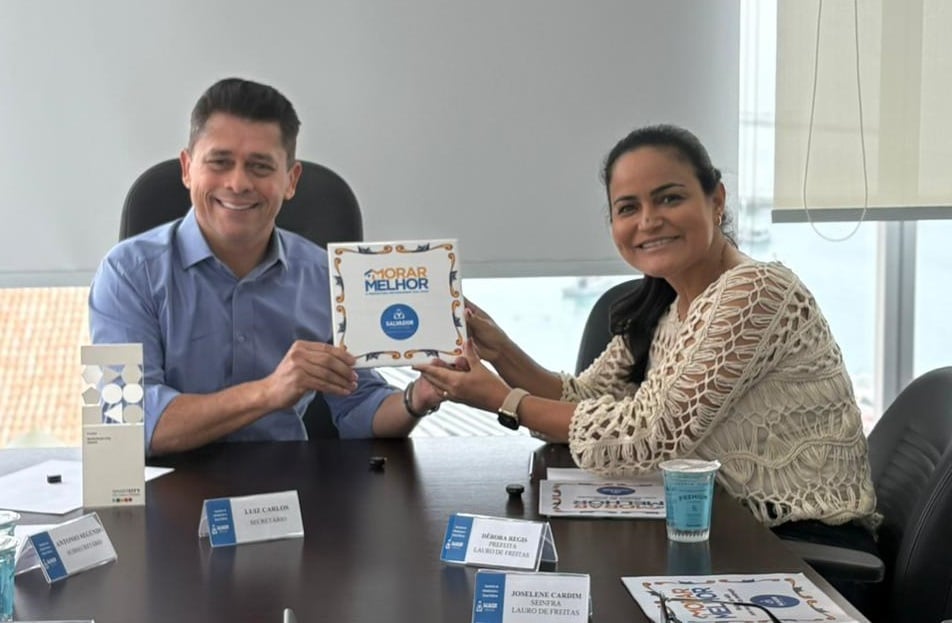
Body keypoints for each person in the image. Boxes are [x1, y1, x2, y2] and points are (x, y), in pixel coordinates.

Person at [416, 124, 879, 549]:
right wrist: (499, 350)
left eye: (669, 199)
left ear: (716, 200)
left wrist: (502, 400)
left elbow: (649, 434)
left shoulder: (756, 291)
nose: (648, 220)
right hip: (713, 526)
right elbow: (584, 398)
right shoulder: (665, 300)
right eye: (628, 208)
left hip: (800, 546)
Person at [89, 78, 443, 457]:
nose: (238, 183)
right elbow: (121, 423)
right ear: (188, 168)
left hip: (285, 485)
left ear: (291, 180)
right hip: (166, 485)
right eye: (220, 162)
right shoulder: (125, 273)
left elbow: (359, 407)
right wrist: (269, 392)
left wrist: (416, 398)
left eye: (260, 167)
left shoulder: (327, 278)